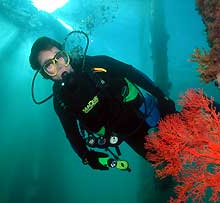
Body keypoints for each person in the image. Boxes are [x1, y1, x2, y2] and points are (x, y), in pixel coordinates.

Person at [29, 36, 178, 171]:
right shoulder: (61, 101)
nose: (59, 66)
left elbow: (131, 73)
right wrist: (86, 156)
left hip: (145, 110)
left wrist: (161, 97)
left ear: (65, 54)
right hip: (126, 134)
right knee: (164, 162)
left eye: (59, 57)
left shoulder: (97, 64)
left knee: (184, 133)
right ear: (45, 74)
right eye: (49, 65)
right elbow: (72, 134)